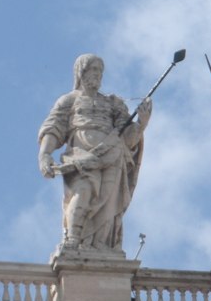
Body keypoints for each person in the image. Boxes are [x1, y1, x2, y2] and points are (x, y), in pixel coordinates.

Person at [38, 54, 151, 251]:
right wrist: (45, 154)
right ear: (81, 72)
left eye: (100, 70)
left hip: (112, 157)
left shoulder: (113, 103)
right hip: (80, 156)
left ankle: (100, 246)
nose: (98, 74)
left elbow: (127, 137)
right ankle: (74, 239)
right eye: (93, 69)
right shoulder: (69, 100)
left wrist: (142, 123)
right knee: (82, 192)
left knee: (108, 204)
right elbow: (54, 128)